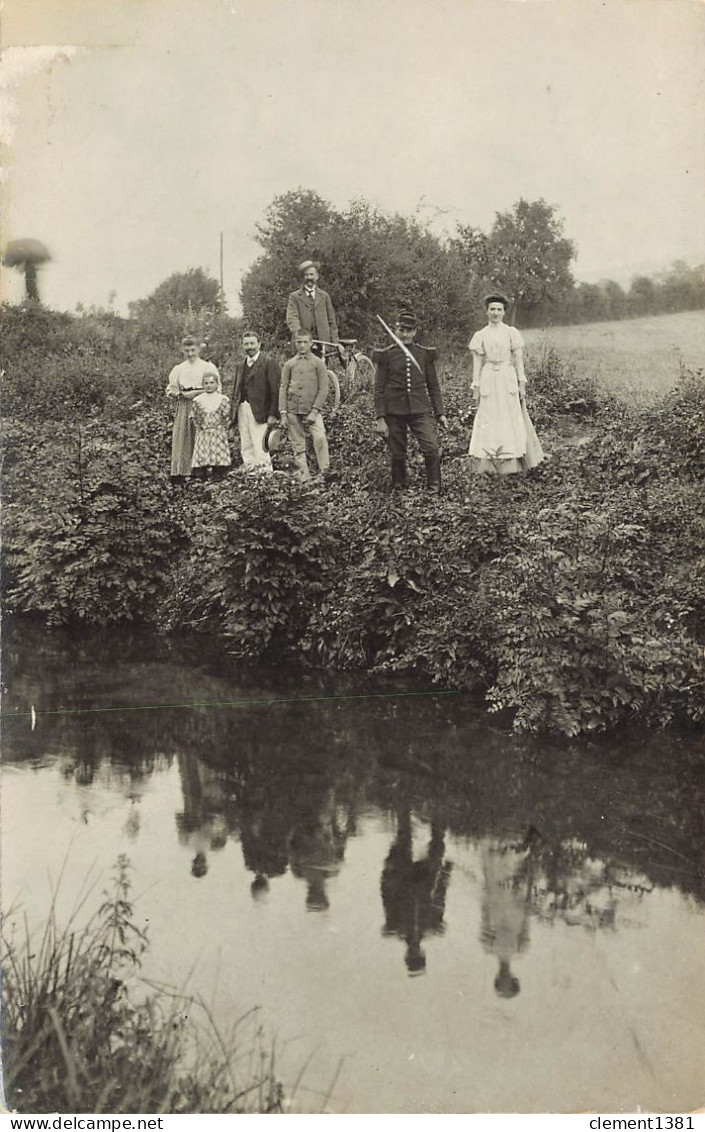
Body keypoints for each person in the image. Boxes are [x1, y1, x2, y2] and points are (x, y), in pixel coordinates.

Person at [467, 294, 545, 475]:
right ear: (487, 312)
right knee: (489, 417)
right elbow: (477, 364)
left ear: (504, 312)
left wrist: (521, 384)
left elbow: (518, 361)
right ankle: (488, 464)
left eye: (499, 309)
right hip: (489, 379)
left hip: (507, 378)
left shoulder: (511, 332)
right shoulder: (481, 335)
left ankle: (511, 463)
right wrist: (476, 387)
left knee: (509, 417)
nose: (495, 313)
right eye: (492, 309)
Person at [373, 310, 448, 493]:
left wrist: (440, 413)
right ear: (395, 330)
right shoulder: (386, 355)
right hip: (394, 411)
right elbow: (378, 389)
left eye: (409, 330)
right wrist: (380, 418)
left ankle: (434, 488)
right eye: (401, 330)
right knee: (398, 452)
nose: (405, 334)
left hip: (420, 410)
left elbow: (434, 387)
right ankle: (399, 488)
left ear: (415, 332)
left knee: (431, 446)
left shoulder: (424, 355)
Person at [279, 329, 331, 483]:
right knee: (298, 444)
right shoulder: (289, 364)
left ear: (311, 343)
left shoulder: (318, 363)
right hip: (292, 410)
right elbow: (283, 387)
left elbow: (323, 389)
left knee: (320, 438)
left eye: (305, 342)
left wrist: (315, 411)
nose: (302, 345)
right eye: (299, 342)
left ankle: (324, 473)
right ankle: (304, 477)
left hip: (312, 409)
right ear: (295, 343)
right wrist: (283, 412)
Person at [165, 335, 221, 480]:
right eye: (187, 350)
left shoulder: (207, 367)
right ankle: (184, 472)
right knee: (184, 437)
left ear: (198, 349)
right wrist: (177, 394)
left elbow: (217, 388)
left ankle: (203, 473)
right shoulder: (179, 369)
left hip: (204, 405)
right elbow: (170, 389)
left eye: (193, 350)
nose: (190, 354)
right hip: (184, 406)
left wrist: (196, 393)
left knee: (202, 437)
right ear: (183, 351)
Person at [230, 330, 280, 471]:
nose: (249, 347)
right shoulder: (240, 366)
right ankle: (251, 476)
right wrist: (233, 415)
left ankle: (265, 478)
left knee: (260, 445)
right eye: (246, 344)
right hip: (242, 408)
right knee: (246, 445)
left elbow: (275, 391)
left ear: (259, 344)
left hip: (260, 411)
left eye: (252, 343)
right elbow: (236, 390)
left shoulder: (268, 362)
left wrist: (272, 414)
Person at [285, 260, 340, 358]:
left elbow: (331, 320)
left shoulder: (324, 296)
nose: (309, 278)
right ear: (303, 277)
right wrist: (300, 336)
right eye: (306, 275)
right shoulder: (295, 297)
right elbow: (292, 318)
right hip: (303, 345)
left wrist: (335, 342)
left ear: (317, 276)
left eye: (311, 274)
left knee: (322, 371)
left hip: (322, 344)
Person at [190, 373, 231, 478]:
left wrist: (221, 426)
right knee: (202, 457)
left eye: (212, 383)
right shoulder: (198, 400)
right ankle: (201, 479)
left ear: (217, 384)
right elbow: (194, 417)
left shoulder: (223, 399)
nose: (209, 385)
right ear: (203, 385)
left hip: (218, 432)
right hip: (203, 432)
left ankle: (220, 477)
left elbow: (227, 417)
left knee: (219, 460)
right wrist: (200, 426)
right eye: (206, 383)